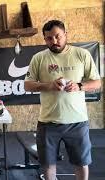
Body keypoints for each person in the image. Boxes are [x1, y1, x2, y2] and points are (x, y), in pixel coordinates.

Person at [24, 20, 101, 180]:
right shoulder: (38, 58)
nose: (54, 41)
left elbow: (97, 82)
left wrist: (79, 86)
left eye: (58, 36)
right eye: (49, 38)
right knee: (48, 164)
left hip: (77, 122)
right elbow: (27, 85)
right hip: (48, 122)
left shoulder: (81, 54)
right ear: (44, 39)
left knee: (81, 162)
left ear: (65, 34)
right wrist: (49, 86)